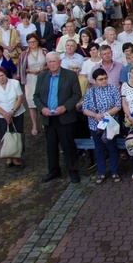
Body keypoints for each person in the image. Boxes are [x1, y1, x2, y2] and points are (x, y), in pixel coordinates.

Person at [33, 52, 82, 184]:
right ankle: (53, 170)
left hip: (65, 117)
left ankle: (73, 171)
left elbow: (76, 94)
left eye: (54, 61)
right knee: (51, 146)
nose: (51, 64)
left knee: (68, 146)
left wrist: (65, 107)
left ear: (60, 61)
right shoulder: (42, 76)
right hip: (48, 118)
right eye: (49, 62)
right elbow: (36, 96)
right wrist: (42, 109)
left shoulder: (70, 75)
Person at [81, 68, 122, 184]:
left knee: (112, 148)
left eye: (105, 78)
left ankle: (114, 171)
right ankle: (101, 172)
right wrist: (95, 115)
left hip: (110, 124)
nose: (103, 81)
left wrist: (104, 114)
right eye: (100, 79)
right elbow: (85, 109)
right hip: (95, 125)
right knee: (98, 149)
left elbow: (118, 106)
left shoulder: (113, 89)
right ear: (95, 80)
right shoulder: (90, 92)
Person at [0, 67, 26, 169]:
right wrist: (5, 114)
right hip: (1, 116)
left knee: (17, 135)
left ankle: (16, 157)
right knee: (4, 136)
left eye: (2, 75)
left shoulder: (14, 83)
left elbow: (20, 98)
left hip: (17, 113)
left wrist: (12, 112)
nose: (1, 78)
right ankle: (8, 157)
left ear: (6, 75)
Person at [19, 33, 47, 134]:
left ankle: (45, 121)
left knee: (44, 100)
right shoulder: (24, 54)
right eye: (30, 42)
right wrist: (30, 71)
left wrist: (43, 68)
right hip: (31, 79)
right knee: (31, 103)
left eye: (34, 41)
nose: (32, 44)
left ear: (37, 41)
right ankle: (34, 125)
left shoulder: (44, 51)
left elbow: (50, 64)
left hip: (43, 78)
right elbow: (21, 69)